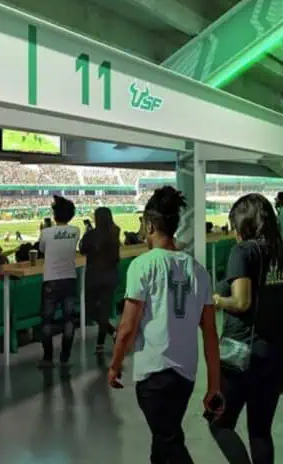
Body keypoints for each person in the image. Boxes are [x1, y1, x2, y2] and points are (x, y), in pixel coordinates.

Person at [108, 186, 222, 464]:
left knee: (168, 442)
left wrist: (115, 365)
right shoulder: (198, 271)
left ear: (149, 225)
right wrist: (214, 384)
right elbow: (209, 333)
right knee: (163, 443)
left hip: (153, 374)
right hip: (185, 375)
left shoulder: (142, 265)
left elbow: (127, 328)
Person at [211, 193, 283, 463]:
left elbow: (241, 301)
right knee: (260, 431)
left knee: (220, 423)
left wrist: (216, 300)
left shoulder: (244, 251)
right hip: (278, 351)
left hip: (244, 352)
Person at [37, 195, 81, 369]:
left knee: (47, 321)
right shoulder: (76, 231)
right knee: (69, 320)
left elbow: (42, 249)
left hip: (51, 281)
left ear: (55, 214)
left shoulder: (47, 232)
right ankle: (65, 357)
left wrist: (44, 231)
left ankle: (48, 357)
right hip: (69, 279)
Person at [79, 206, 121, 355]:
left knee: (90, 309)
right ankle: (101, 343)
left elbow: (82, 249)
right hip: (111, 275)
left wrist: (87, 233)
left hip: (95, 276)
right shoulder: (115, 232)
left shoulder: (92, 235)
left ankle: (110, 334)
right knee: (104, 310)